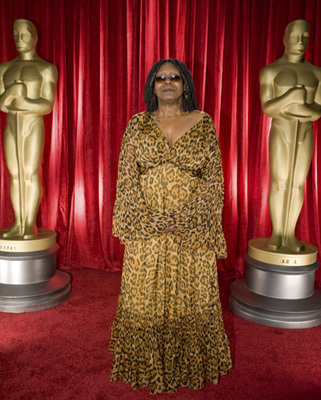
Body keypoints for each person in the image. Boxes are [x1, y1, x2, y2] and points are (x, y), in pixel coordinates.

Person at [109, 59, 231, 393]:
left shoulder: (203, 123)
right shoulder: (137, 124)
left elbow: (213, 180)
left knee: (191, 297)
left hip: (191, 232)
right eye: (160, 77)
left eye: (174, 77)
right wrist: (147, 218)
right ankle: (145, 361)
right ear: (152, 86)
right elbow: (126, 178)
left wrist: (186, 218)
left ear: (185, 85)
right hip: (147, 231)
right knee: (144, 297)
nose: (167, 81)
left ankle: (188, 363)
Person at [260, 19, 321, 252]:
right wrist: (292, 97)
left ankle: (290, 234)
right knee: (280, 182)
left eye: (305, 36)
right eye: (295, 36)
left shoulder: (317, 73)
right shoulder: (270, 70)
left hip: (304, 134)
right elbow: (268, 108)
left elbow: (318, 111)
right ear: (285, 38)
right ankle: (277, 233)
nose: (300, 42)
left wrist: (300, 106)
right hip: (281, 132)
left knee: (297, 184)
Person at [0, 19, 58, 239]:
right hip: (12, 126)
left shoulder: (46, 68)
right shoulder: (4, 68)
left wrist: (20, 99)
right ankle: (18, 222)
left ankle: (30, 224)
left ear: (35, 37)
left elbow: (47, 105)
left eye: (24, 34)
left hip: (33, 125)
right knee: (15, 174)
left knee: (30, 173)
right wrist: (12, 92)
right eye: (15, 34)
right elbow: (2, 104)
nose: (19, 39)